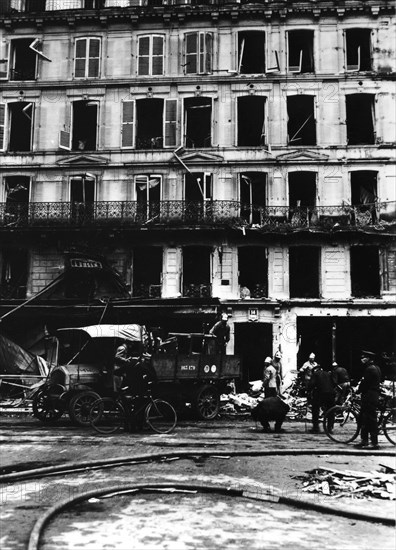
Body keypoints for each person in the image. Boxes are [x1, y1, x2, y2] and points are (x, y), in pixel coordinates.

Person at [355, 351, 382, 450]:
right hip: (373, 395)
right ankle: (364, 441)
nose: (362, 359)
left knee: (370, 419)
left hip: (369, 396)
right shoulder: (376, 368)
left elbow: (365, 383)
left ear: (369, 359)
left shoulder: (369, 369)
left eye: (364, 357)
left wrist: (358, 390)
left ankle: (374, 443)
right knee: (364, 418)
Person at [308, 363, 336, 433]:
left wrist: (308, 390)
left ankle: (315, 428)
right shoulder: (329, 374)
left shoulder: (316, 374)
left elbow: (311, 384)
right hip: (330, 393)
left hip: (320, 393)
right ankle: (329, 428)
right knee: (330, 411)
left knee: (315, 409)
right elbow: (335, 383)